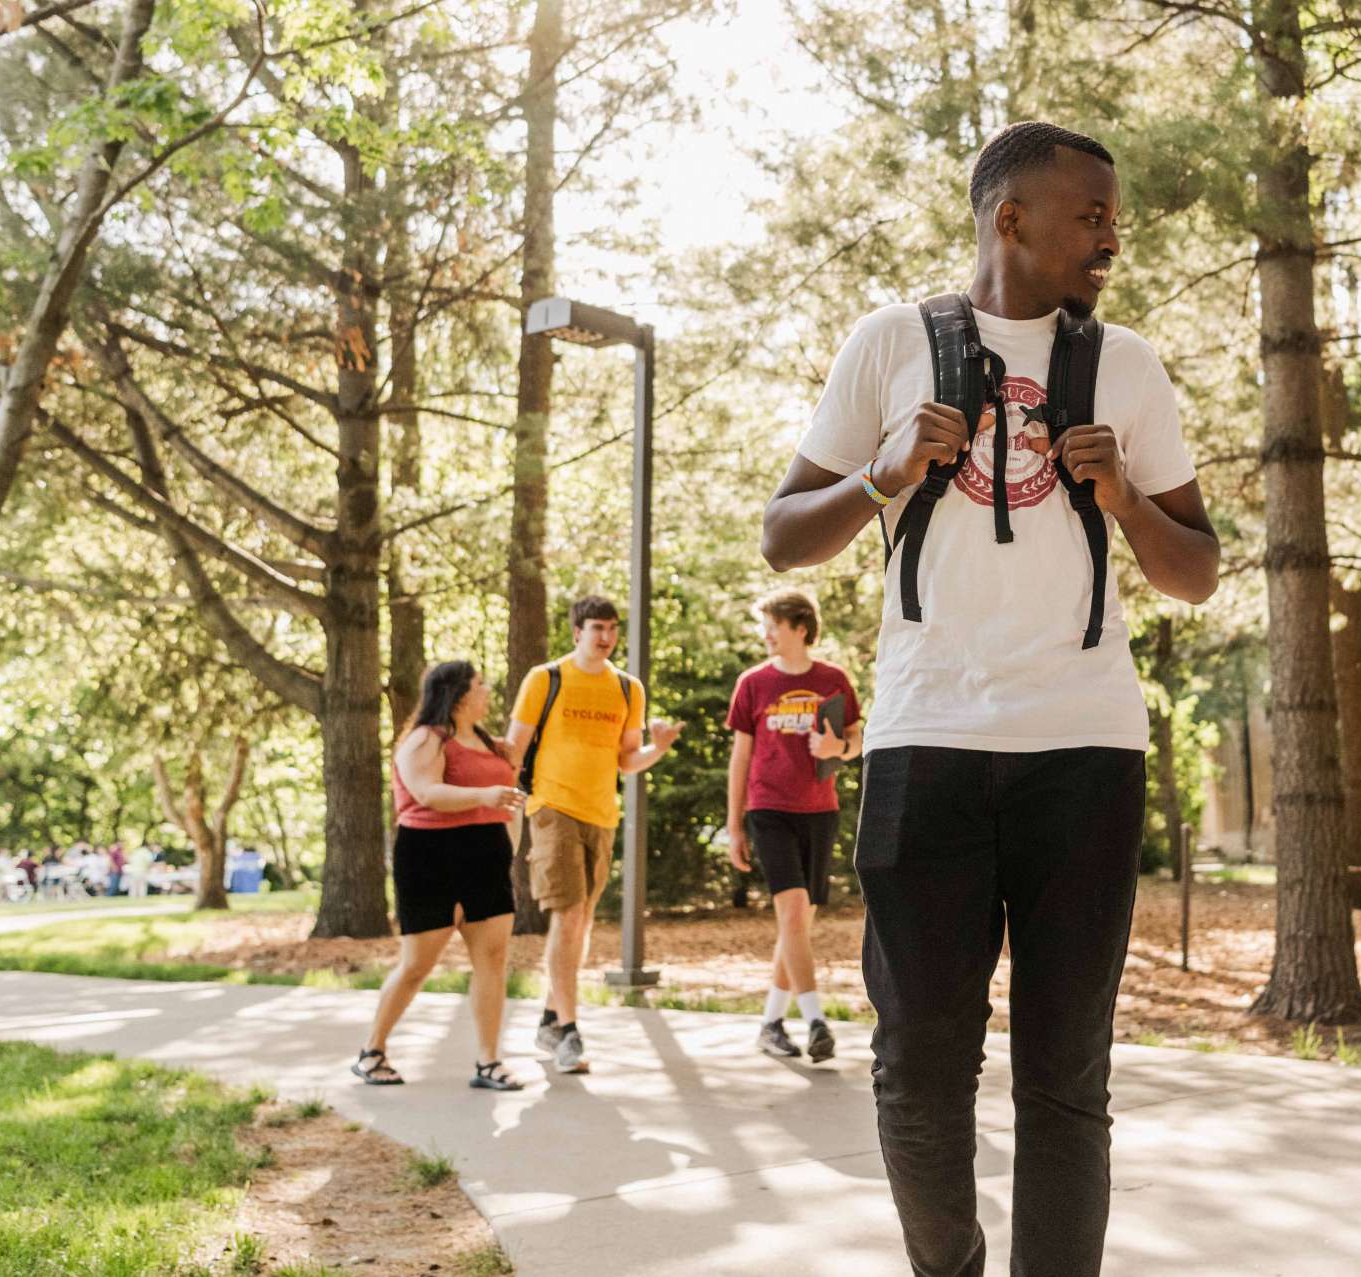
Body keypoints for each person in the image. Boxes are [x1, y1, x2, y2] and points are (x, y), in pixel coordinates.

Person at [760, 120, 1219, 1276]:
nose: (1114, 234)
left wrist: (1123, 496)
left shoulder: (1131, 366)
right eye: (1093, 214)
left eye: (1115, 216)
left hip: (1087, 747)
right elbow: (783, 538)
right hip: (928, 745)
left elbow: (1198, 569)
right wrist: (884, 472)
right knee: (918, 1060)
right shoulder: (886, 344)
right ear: (1012, 219)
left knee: (1067, 1073)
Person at [500, 595, 683, 1075]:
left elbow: (627, 761)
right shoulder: (546, 678)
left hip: (602, 815)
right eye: (596, 627)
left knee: (580, 925)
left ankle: (549, 1016)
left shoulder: (628, 688)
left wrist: (657, 748)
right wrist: (499, 804)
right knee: (569, 914)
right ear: (576, 631)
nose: (605, 637)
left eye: (611, 628)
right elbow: (514, 748)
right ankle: (569, 1031)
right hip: (551, 807)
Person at [353, 659, 528, 1091]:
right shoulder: (423, 741)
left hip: (486, 854)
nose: (487, 691)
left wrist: (509, 849)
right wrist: (484, 795)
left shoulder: (492, 744)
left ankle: (489, 1061)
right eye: (481, 685)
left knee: (492, 960)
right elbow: (427, 793)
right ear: (459, 693)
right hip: (430, 856)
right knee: (417, 964)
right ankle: (372, 1052)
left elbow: (511, 801)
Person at [723, 587, 863, 1064]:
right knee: (792, 913)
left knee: (799, 923)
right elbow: (740, 755)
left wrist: (837, 751)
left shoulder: (833, 679)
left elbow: (855, 739)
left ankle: (770, 1022)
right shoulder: (753, 683)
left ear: (800, 628)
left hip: (820, 810)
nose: (766, 634)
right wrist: (734, 825)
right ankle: (817, 1019)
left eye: (773, 625)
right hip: (769, 809)